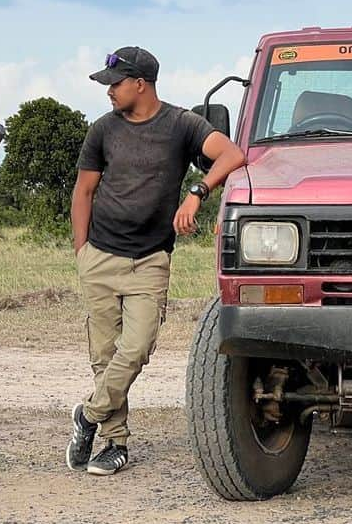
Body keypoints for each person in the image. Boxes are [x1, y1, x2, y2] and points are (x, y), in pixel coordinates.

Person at [65, 46, 246, 475]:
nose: (108, 92)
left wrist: (196, 194)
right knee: (103, 356)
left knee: (138, 348)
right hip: (100, 256)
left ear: (140, 83)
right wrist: (81, 253)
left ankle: (87, 415)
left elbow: (233, 154)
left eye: (115, 84)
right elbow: (83, 192)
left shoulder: (181, 124)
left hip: (149, 260)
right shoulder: (102, 131)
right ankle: (115, 443)